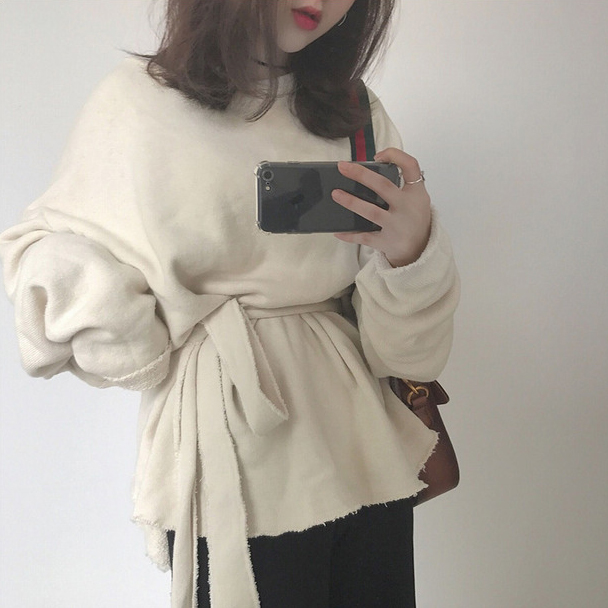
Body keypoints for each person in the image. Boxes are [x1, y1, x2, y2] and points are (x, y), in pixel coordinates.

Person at [0, 1, 459, 606]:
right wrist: (135, 334)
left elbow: (405, 355)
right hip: (230, 453)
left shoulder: (355, 112)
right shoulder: (136, 103)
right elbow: (45, 251)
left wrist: (410, 253)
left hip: (363, 451)